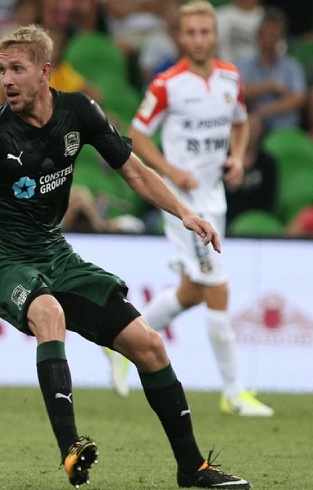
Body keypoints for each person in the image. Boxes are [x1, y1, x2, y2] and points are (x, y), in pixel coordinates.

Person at [0, 23, 252, 490]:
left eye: (17, 69)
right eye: (2, 70)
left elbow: (134, 172)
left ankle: (193, 467)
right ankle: (70, 449)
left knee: (149, 345)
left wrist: (185, 212)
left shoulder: (78, 112)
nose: (7, 80)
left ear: (44, 72)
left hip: (56, 254)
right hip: (3, 261)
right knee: (49, 313)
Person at [111, 0, 274, 417]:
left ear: (215, 35)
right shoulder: (166, 84)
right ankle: (233, 393)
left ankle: (122, 340)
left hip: (214, 198)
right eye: (191, 33)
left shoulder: (230, 77)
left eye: (205, 32)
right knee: (217, 287)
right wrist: (171, 171)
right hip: (182, 205)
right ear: (179, 38)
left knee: (192, 291)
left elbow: (241, 121)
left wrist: (237, 156)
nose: (199, 39)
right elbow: (137, 135)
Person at [238, 7, 307, 134]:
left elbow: (299, 98)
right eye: (268, 34)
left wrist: (263, 112)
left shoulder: (291, 66)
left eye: (275, 35)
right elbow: (238, 91)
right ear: (258, 35)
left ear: (282, 38)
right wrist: (269, 86)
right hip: (254, 125)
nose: (271, 39)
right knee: (250, 126)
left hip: (285, 127)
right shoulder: (245, 64)